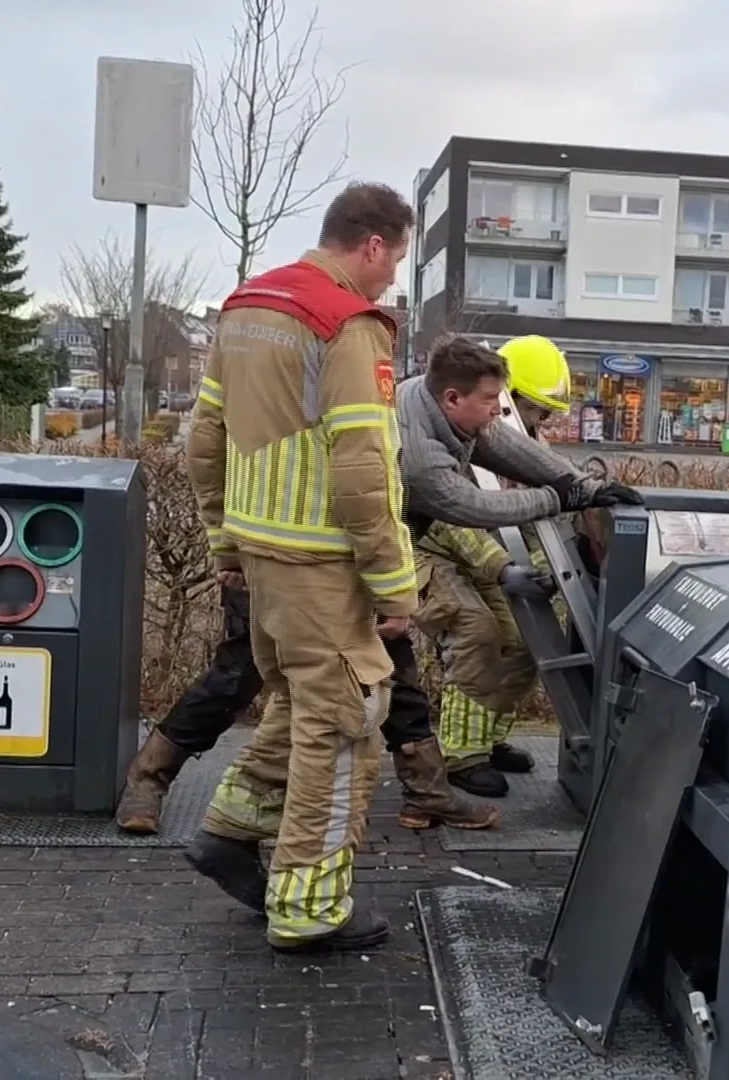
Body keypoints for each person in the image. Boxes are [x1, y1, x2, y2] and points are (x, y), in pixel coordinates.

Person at [179, 181, 420, 954]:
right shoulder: (345, 325)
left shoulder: (246, 307)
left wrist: (225, 542)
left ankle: (233, 830)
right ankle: (311, 907)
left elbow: (205, 438)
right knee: (347, 724)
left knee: (300, 704)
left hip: (261, 551)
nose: (392, 280)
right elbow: (364, 464)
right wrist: (393, 582)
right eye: (396, 261)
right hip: (322, 562)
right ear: (373, 245)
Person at [397, 335, 642, 797]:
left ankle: (486, 740)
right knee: (476, 631)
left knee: (523, 636)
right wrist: (504, 564)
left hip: (483, 552)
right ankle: (459, 755)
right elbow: (461, 512)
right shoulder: (422, 449)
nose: (539, 421)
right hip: (421, 544)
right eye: (536, 410)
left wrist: (586, 488)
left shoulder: (465, 416)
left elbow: (514, 454)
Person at [112, 574, 498, 834]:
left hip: (351, 569)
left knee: (391, 670)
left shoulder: (429, 450)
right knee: (234, 679)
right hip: (270, 566)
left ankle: (427, 793)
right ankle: (148, 779)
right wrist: (227, 552)